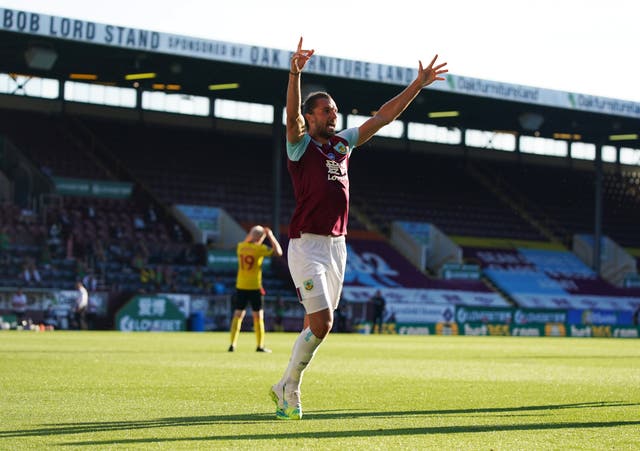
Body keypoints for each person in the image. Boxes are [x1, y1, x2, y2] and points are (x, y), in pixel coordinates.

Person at [270, 37, 447, 420]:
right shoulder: (300, 147)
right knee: (323, 323)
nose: (334, 116)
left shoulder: (342, 145)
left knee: (315, 325)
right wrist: (294, 74)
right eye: (326, 111)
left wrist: (416, 84)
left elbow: (383, 117)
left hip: (337, 247)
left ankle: (285, 384)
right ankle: (291, 387)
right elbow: (291, 118)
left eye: (335, 111)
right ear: (311, 116)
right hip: (306, 244)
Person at [228, 225, 283, 353]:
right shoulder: (260, 249)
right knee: (258, 317)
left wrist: (256, 234)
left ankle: (232, 344)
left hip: (241, 286)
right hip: (254, 287)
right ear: (260, 238)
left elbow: (250, 239)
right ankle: (260, 346)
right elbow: (279, 252)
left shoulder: (241, 247)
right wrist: (270, 235)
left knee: (237, 315)